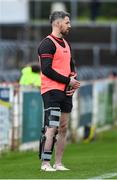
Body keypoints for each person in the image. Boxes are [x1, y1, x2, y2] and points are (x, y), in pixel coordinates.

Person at [38, 11, 80, 171]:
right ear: (57, 23)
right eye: (67, 22)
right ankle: (45, 163)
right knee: (52, 126)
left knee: (63, 127)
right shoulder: (47, 44)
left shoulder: (66, 44)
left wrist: (73, 81)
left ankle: (59, 163)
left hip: (65, 91)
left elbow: (71, 66)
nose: (69, 25)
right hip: (51, 90)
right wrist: (68, 80)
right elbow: (46, 69)